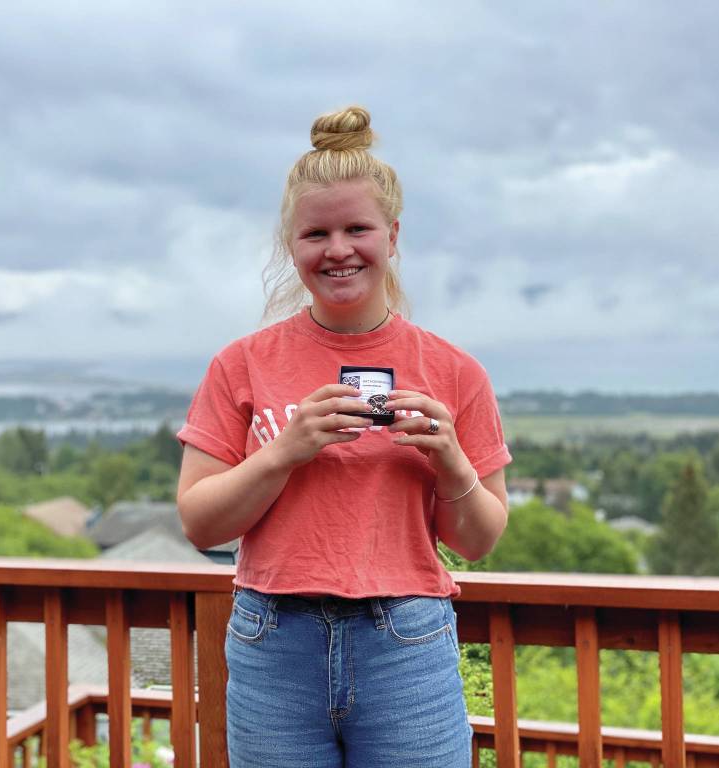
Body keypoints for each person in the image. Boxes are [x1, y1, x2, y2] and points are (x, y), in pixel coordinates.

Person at [176, 106, 511, 768]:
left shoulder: (453, 372)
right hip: (273, 643)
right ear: (291, 245)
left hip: (407, 646)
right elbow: (200, 524)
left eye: (357, 228)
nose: (338, 249)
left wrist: (449, 462)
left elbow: (478, 539)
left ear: (393, 235)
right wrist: (284, 451)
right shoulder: (240, 365)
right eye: (315, 234)